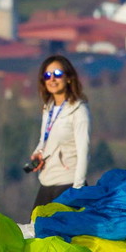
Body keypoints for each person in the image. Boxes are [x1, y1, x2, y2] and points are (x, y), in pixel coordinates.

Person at [28, 54, 90, 209]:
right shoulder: (48, 108)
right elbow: (44, 139)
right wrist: (38, 153)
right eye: (47, 75)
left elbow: (84, 151)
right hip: (47, 181)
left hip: (68, 182)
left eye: (57, 74)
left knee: (62, 231)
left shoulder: (78, 110)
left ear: (69, 78)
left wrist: (78, 189)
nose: (52, 80)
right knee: (36, 228)